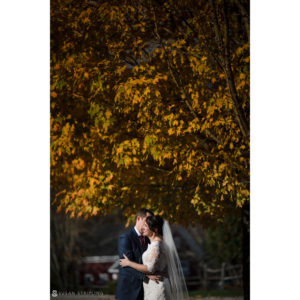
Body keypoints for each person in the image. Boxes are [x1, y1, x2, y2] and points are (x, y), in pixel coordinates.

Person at [120, 215, 189, 300]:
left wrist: (129, 263)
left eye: (146, 226)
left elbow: (150, 268)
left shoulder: (157, 246)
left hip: (157, 287)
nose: (143, 228)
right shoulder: (157, 244)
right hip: (153, 286)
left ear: (155, 229)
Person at [116, 208, 164, 300]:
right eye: (147, 220)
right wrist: (146, 276)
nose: (149, 223)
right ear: (138, 219)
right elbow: (125, 264)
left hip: (147, 289)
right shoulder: (125, 238)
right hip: (129, 289)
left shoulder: (149, 238)